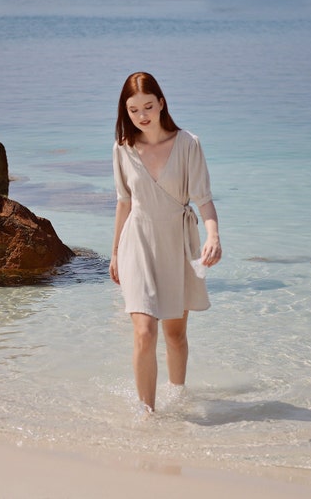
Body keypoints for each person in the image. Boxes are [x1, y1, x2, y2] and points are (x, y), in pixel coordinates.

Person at [109, 71, 222, 413]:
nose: (142, 115)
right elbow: (124, 202)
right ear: (125, 113)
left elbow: (203, 198)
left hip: (177, 241)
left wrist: (213, 235)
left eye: (147, 106)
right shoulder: (122, 148)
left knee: (174, 334)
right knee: (144, 331)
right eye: (133, 110)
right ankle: (147, 415)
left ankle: (178, 397)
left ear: (161, 103)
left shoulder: (188, 143)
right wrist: (114, 253)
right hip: (137, 242)